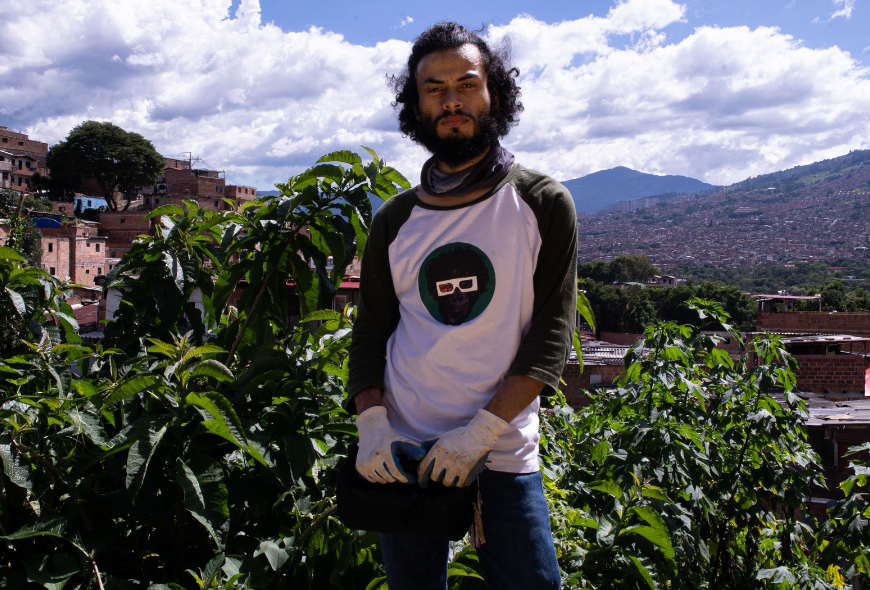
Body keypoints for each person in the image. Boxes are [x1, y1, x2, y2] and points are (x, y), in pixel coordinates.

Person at [347, 22, 577, 590]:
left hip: (501, 450)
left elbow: (550, 336)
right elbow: (371, 333)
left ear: (495, 93)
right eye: (434, 89)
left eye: (467, 84)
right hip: (402, 451)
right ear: (415, 107)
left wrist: (479, 433)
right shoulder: (395, 219)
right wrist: (373, 424)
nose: (452, 101)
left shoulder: (542, 202)